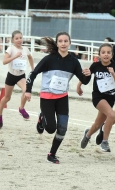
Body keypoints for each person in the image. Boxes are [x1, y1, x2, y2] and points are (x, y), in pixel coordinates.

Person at [24, 32, 91, 164]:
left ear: (70, 43)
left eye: (66, 41)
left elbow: (84, 80)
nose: (63, 43)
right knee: (50, 129)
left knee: (62, 128)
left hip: (62, 98)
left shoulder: (73, 61)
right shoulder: (49, 59)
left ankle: (52, 154)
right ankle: (42, 117)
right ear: (57, 43)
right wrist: (28, 91)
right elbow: (33, 74)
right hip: (47, 97)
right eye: (60, 41)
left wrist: (88, 74)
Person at [77, 43, 115, 152]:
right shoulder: (95, 65)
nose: (106, 55)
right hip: (98, 97)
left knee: (98, 124)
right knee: (111, 114)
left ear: (112, 55)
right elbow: (86, 76)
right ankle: (105, 142)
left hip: (110, 98)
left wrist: (113, 74)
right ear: (99, 55)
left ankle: (87, 135)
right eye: (103, 52)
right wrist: (79, 85)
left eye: (108, 52)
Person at [0, 30, 34, 127]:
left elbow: (30, 57)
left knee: (26, 90)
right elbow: (4, 61)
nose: (19, 40)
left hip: (21, 76)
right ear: (13, 40)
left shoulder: (25, 49)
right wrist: (15, 56)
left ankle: (21, 108)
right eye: (16, 38)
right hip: (11, 76)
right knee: (7, 98)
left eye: (20, 38)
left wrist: (33, 68)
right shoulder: (11, 49)